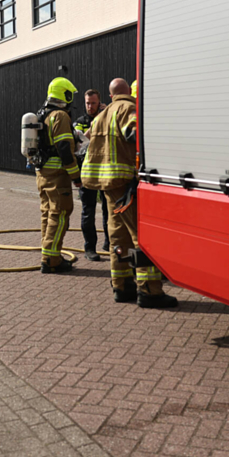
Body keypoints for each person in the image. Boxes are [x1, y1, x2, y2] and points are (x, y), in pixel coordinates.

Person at [81, 78, 177, 308]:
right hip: (125, 185)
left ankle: (122, 286)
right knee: (142, 236)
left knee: (118, 236)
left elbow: (86, 141)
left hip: (107, 186)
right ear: (128, 93)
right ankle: (149, 291)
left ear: (111, 95)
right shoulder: (128, 108)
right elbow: (136, 136)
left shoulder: (102, 115)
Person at [35, 77, 83, 274]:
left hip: (43, 174)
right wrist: (76, 177)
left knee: (47, 214)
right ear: (66, 94)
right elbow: (64, 149)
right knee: (60, 214)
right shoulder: (60, 116)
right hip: (57, 176)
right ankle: (52, 260)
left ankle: (48, 254)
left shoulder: (42, 114)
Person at [74, 89, 109, 261]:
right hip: (87, 173)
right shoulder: (80, 122)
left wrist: (107, 114)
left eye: (93, 103)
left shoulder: (107, 117)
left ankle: (109, 243)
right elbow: (79, 144)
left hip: (105, 171)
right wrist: (96, 121)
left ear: (99, 102)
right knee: (88, 211)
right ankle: (90, 248)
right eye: (87, 103)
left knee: (108, 210)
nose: (90, 106)